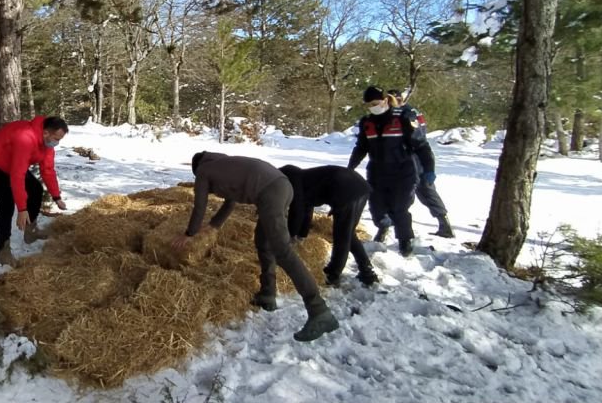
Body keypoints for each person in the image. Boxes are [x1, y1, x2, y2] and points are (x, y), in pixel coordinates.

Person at [171, 152, 339, 342]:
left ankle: (319, 310)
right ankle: (267, 293)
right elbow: (230, 200)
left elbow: (199, 206)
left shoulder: (203, 171)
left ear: (196, 168)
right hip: (282, 186)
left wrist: (189, 234)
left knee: (283, 251)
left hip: (270, 192)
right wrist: (213, 226)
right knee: (263, 242)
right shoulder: (225, 164)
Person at [348, 86, 436, 257]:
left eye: (376, 103)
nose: (373, 107)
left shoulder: (403, 118)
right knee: (377, 208)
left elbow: (421, 145)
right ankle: (383, 225)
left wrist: (429, 169)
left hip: (403, 171)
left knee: (399, 207)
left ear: (385, 100)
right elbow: (361, 148)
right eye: (369, 105)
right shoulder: (367, 123)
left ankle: (405, 240)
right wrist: (350, 168)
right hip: (377, 172)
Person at [0, 116, 68, 265]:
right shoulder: (25, 138)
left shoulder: (47, 145)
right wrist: (22, 209)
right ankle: (3, 251)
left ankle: (30, 232)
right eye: (56, 138)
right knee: (6, 202)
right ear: (46, 133)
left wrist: (56, 196)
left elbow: (48, 170)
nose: (57, 142)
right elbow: (17, 175)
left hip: (10, 163)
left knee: (36, 189)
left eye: (60, 139)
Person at [279, 164, 379, 287]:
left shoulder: (293, 181)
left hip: (347, 190)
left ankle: (333, 274)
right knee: (348, 233)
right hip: (359, 187)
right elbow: (306, 208)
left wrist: (290, 236)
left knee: (342, 235)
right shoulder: (304, 179)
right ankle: (367, 271)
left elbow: (297, 210)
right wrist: (301, 235)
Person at [386, 89, 454, 238]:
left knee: (406, 193)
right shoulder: (410, 111)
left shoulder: (407, 113)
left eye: (391, 101)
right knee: (425, 191)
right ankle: (444, 224)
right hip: (412, 157)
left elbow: (417, 139)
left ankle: (388, 229)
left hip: (412, 157)